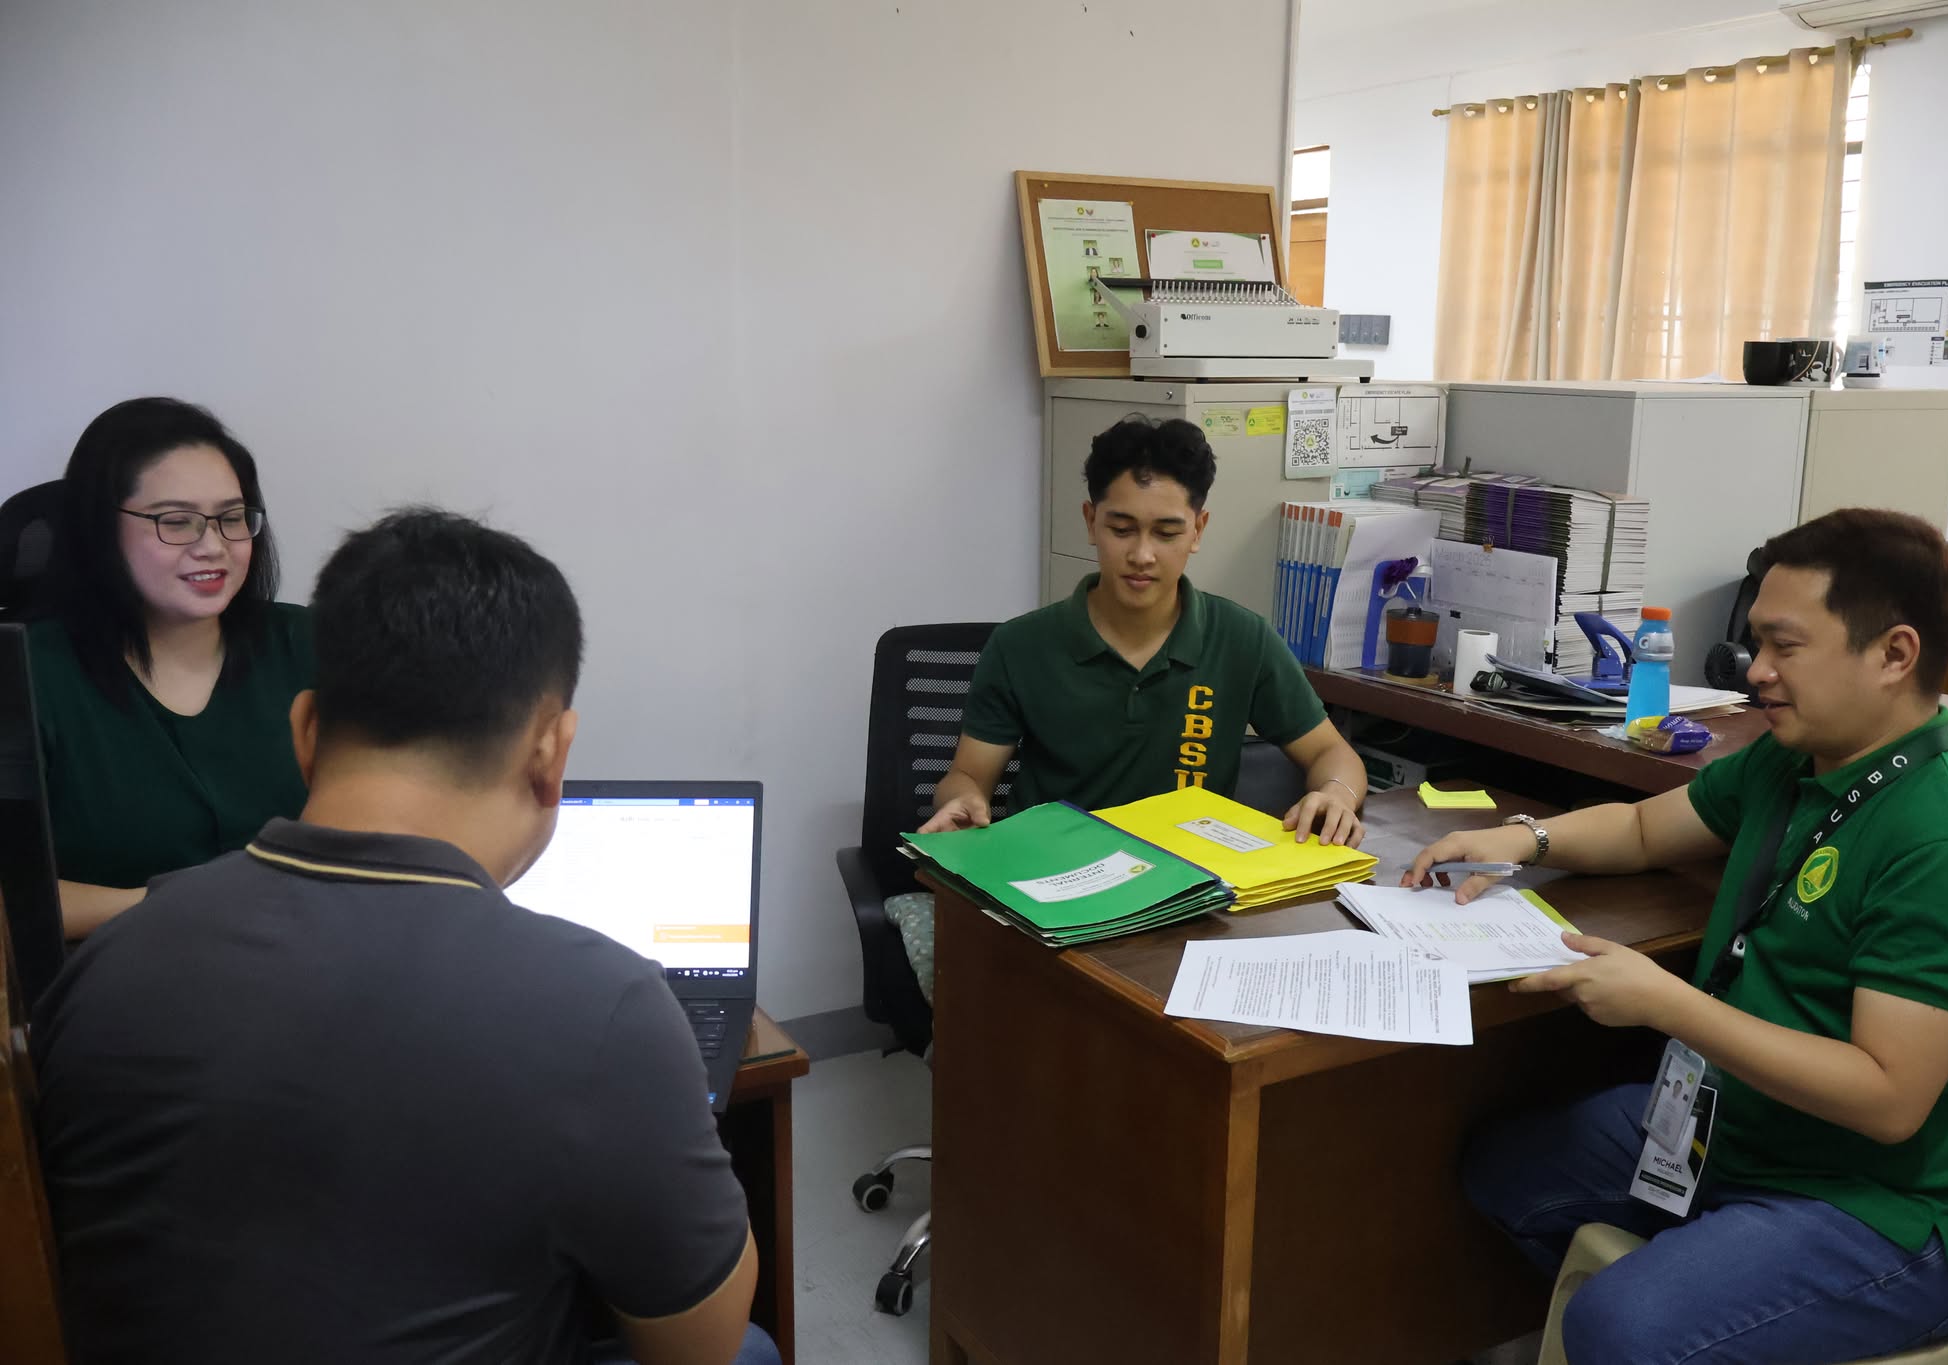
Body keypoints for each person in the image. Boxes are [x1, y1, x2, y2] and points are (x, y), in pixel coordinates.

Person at [33, 508, 778, 1365]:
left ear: (305, 730)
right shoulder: (601, 1005)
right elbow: (697, 1347)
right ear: (551, 754)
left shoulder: (112, 959)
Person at [1407, 509, 1948, 1364]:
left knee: (1620, 1326)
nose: (1756, 670)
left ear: (1894, 654)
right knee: (1505, 1167)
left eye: (1785, 646)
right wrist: (1525, 839)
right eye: (1757, 641)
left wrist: (1665, 1003)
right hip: (1745, 1132)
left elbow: (1888, 1098)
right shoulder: (1796, 758)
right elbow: (1642, 829)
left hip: (1888, 1208)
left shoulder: (1946, 842)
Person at [922, 415, 1368, 845]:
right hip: (1053, 875)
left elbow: (1332, 754)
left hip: (1188, 877)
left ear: (1198, 530)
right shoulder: (1020, 646)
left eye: (1166, 533)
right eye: (1121, 529)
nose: (1142, 555)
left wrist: (1337, 793)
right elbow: (967, 776)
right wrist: (961, 801)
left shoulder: (1242, 639)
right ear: (1090, 522)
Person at [29, 397, 312, 938]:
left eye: (232, 518)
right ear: (99, 530)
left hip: (302, 955)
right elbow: (13, 899)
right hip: (115, 969)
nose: (213, 546)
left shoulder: (307, 642)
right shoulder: (30, 674)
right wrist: (173, 905)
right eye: (176, 522)